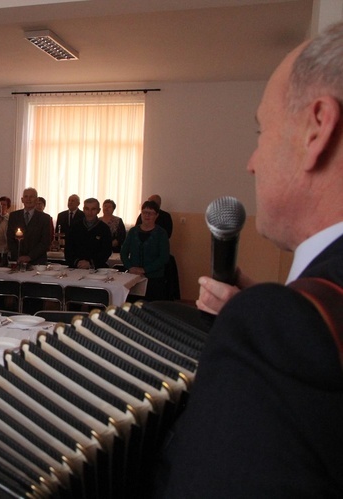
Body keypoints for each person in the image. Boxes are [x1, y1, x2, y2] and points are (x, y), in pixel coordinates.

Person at [155, 23, 343, 497]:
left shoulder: (276, 329)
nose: (252, 161)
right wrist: (276, 307)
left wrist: (269, 321)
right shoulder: (296, 317)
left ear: (317, 128)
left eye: (262, 131)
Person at [120, 200, 169, 300]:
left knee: (152, 307)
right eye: (144, 212)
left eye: (150, 213)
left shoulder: (161, 233)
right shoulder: (133, 231)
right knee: (132, 306)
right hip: (133, 277)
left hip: (154, 277)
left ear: (156, 215)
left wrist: (144, 270)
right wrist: (130, 267)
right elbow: (124, 252)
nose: (147, 216)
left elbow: (164, 257)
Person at [6, 187, 52, 266]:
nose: (28, 199)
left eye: (31, 197)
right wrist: (19, 256)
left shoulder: (45, 218)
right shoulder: (14, 216)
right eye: (26, 197)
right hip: (17, 261)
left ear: (37, 200)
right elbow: (10, 238)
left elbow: (45, 241)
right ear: (22, 199)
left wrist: (29, 257)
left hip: (37, 262)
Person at [64, 197, 112, 270]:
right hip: (75, 268)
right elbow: (68, 249)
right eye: (87, 209)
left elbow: (106, 251)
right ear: (83, 210)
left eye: (93, 209)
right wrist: (77, 262)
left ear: (98, 211)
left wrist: (90, 263)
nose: (90, 212)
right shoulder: (75, 226)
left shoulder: (104, 228)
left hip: (97, 269)